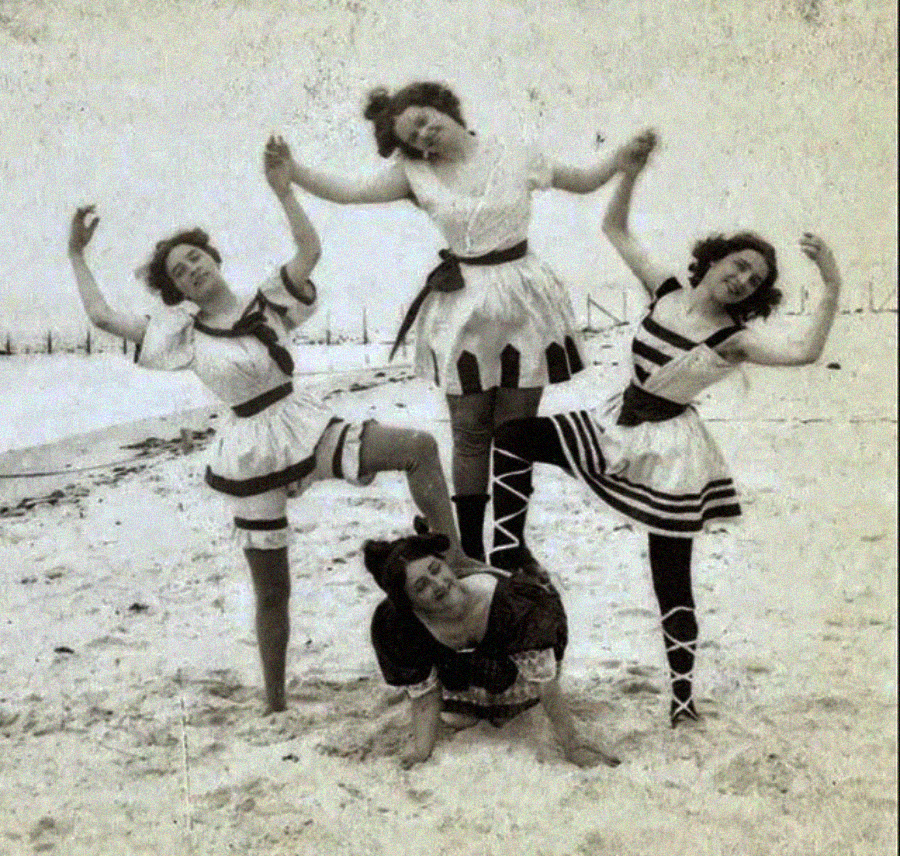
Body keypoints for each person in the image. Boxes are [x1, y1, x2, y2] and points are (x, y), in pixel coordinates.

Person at [67, 136, 480, 715]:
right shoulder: (183, 335)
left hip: (302, 424)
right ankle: (275, 701)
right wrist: (77, 256)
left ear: (213, 259)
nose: (191, 271)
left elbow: (309, 248)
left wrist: (283, 189)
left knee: (417, 446)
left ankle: (457, 558)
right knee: (273, 591)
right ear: (177, 290)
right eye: (180, 273)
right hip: (250, 452)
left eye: (195, 259)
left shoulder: (268, 301)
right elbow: (102, 317)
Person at [488, 133, 842, 726]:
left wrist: (831, 285)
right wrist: (629, 170)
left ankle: (683, 699)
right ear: (716, 258)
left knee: (670, 575)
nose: (741, 281)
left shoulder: (736, 338)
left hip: (672, 454)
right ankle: (510, 551)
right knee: (512, 438)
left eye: (753, 281)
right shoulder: (667, 289)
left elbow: (806, 352)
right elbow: (616, 229)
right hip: (614, 422)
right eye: (739, 266)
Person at [284, 80, 654, 563]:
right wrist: (292, 173)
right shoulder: (414, 174)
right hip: (462, 308)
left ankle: (510, 544)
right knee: (471, 430)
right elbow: (349, 192)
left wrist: (623, 160)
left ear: (440, 105)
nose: (423, 136)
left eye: (422, 120)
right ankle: (471, 547)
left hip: (524, 298)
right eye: (412, 138)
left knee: (517, 429)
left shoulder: (514, 152)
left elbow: (583, 180)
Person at [364, 529, 621, 769]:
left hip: (519, 678)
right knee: (456, 717)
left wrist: (573, 747)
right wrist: (421, 751)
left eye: (436, 569)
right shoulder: (399, 623)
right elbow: (424, 697)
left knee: (516, 703)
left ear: (447, 564)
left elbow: (546, 683)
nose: (439, 584)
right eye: (421, 586)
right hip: (465, 679)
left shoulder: (513, 603)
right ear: (410, 603)